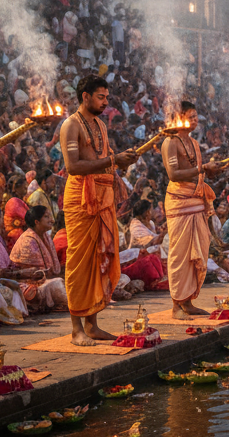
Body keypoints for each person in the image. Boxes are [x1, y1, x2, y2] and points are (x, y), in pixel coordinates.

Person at [60, 74, 136, 345]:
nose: (105, 102)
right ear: (85, 96)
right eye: (101, 97)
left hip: (103, 198)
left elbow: (104, 160)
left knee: (99, 261)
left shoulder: (101, 126)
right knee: (79, 262)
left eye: (107, 97)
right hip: (81, 198)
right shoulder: (71, 126)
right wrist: (113, 160)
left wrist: (120, 162)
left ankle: (92, 324)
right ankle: (76, 328)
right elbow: (73, 167)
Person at [162, 101, 220, 317]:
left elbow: (197, 172)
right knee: (180, 254)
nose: (195, 121)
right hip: (179, 201)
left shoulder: (194, 143)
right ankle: (177, 304)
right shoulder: (170, 142)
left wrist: (209, 172)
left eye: (197, 117)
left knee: (198, 251)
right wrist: (203, 169)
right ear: (180, 117)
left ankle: (188, 301)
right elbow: (174, 174)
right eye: (192, 116)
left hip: (196, 200)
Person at [10, 204, 67, 312]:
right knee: (58, 283)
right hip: (28, 284)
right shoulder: (28, 240)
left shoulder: (45, 236)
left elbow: (53, 270)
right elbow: (39, 274)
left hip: (44, 281)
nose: (51, 220)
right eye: (47, 217)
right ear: (37, 222)